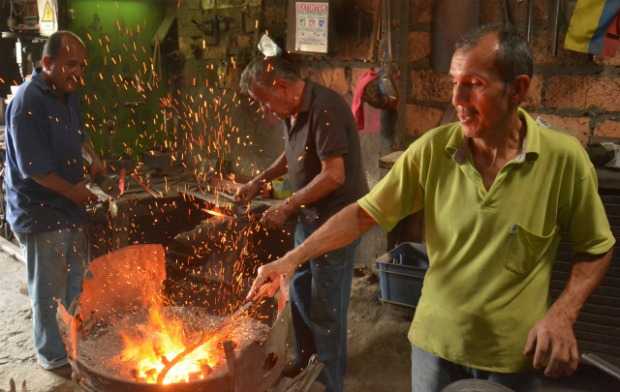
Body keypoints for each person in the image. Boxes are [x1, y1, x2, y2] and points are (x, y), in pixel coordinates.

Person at [247, 25, 615, 392]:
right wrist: (292, 258)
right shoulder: (433, 150)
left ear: (517, 88)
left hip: (514, 356)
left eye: (474, 83)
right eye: (454, 82)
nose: (457, 98)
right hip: (434, 346)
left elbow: (597, 248)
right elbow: (363, 214)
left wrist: (563, 314)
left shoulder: (563, 160)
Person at [236, 56, 368, 392]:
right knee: (297, 290)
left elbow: (334, 175)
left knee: (326, 306)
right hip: (308, 218)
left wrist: (287, 204)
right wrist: (259, 180)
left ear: (280, 86)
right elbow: (290, 155)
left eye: (263, 99)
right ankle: (307, 359)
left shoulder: (326, 108)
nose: (264, 109)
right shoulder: (291, 112)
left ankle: (328, 381)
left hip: (337, 222)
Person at [4, 31, 102, 374]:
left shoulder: (68, 93)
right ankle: (53, 356)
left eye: (82, 65)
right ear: (48, 63)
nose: (79, 73)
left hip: (68, 208)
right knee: (49, 291)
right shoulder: (26, 103)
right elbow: (36, 171)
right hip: (41, 212)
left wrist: (93, 158)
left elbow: (79, 135)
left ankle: (73, 342)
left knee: (76, 281)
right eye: (71, 64)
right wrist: (77, 192)